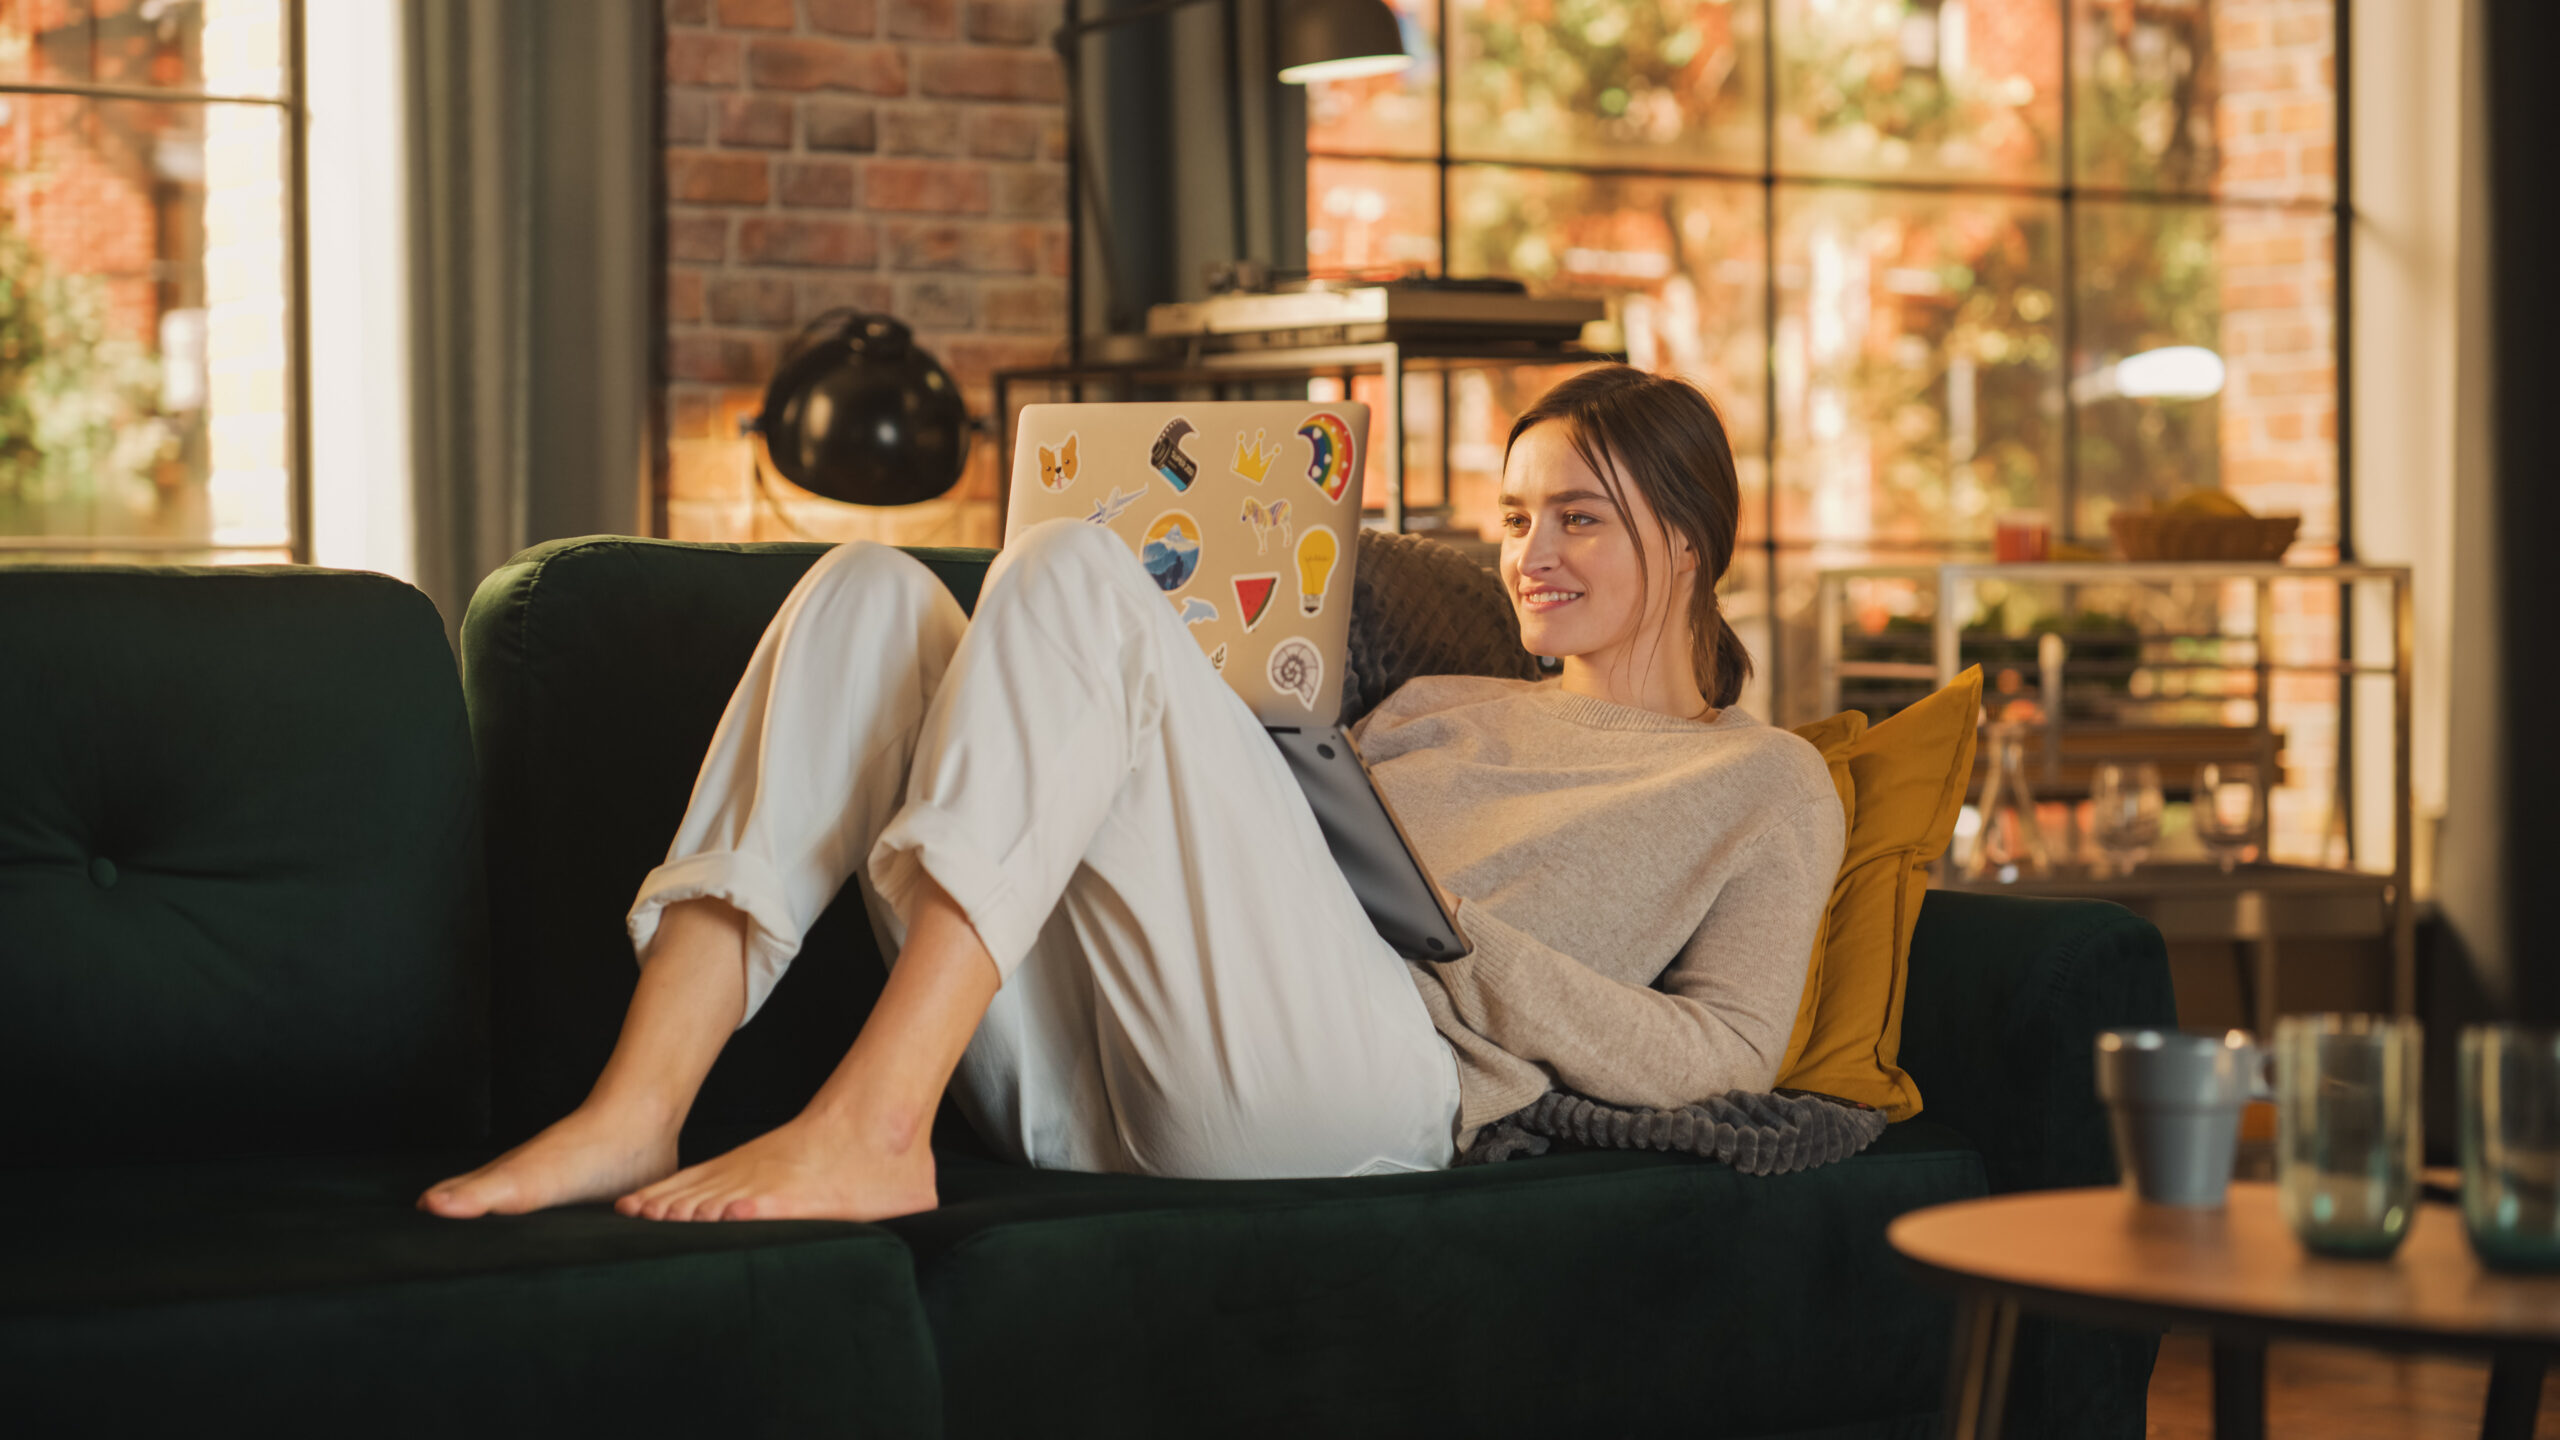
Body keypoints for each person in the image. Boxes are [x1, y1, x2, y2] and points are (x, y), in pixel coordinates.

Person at [418, 364, 1844, 1225]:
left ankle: (873, 1124)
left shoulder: (1763, 779)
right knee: (864, 593)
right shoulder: (1437, 705)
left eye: (1577, 518)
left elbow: (1729, 1059)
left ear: (1693, 535)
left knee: (1070, 568)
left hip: (1364, 1098)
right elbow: (1232, 871)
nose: (1530, 553)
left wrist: (1475, 950)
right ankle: (639, 1101)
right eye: (1518, 517)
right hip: (1114, 1079)